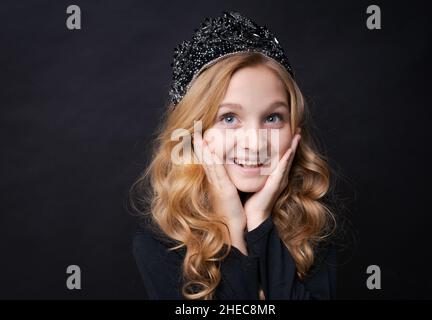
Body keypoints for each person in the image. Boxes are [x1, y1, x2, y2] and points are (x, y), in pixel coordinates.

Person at [130, 11, 337, 300]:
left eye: (273, 118)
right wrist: (232, 231)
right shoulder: (160, 247)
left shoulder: (311, 230)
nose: (254, 143)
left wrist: (260, 222)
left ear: (294, 130)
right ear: (194, 132)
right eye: (229, 118)